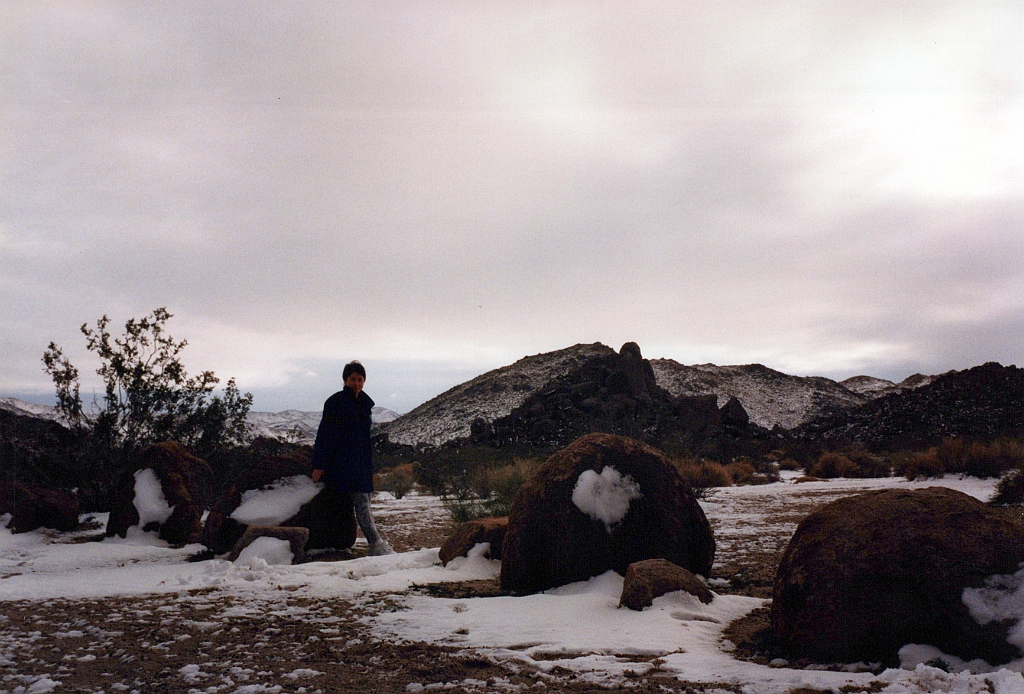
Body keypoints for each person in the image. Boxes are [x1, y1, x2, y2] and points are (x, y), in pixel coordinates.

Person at [311, 361, 394, 556]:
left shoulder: (364, 404)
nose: (356, 383)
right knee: (361, 502)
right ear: (345, 380)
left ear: (364, 381)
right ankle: (376, 544)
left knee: (360, 502)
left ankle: (363, 544)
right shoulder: (336, 402)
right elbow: (325, 433)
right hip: (341, 462)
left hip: (360, 461)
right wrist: (319, 464)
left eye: (359, 379)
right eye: (352, 379)